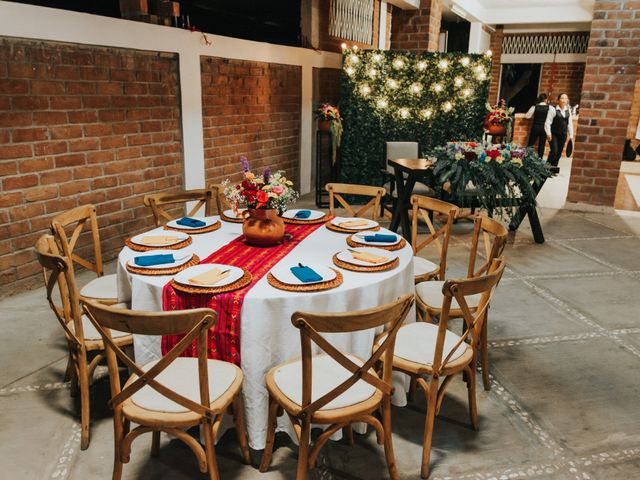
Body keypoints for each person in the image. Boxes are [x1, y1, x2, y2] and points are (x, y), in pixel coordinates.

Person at [545, 93, 574, 167]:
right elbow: (548, 122)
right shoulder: (553, 109)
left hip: (563, 134)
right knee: (554, 151)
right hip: (553, 133)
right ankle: (546, 168)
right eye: (562, 98)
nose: (564, 100)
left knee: (559, 152)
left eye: (566, 98)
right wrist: (548, 133)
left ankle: (554, 168)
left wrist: (571, 135)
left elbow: (569, 123)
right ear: (558, 100)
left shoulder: (568, 111)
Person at [525, 93, 550, 159]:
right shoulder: (549, 108)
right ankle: (540, 160)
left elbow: (527, 116)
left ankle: (526, 157)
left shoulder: (534, 107)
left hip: (535, 127)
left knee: (530, 144)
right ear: (545, 99)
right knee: (542, 145)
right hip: (544, 127)